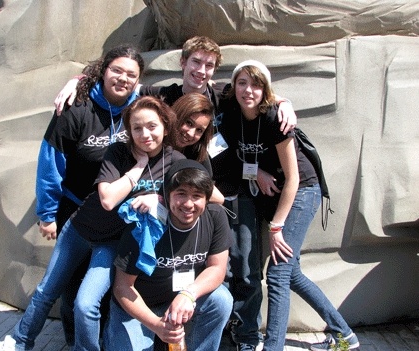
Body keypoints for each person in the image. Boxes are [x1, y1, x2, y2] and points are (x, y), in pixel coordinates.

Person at [53, 36, 298, 350]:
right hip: (144, 226)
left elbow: (254, 93)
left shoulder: (222, 97)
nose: (202, 70)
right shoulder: (163, 96)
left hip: (206, 209)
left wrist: (282, 103)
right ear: (183, 63)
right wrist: (81, 80)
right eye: (196, 61)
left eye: (209, 65)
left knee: (231, 277)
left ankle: (234, 336)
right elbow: (123, 85)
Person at [5, 96, 184, 351]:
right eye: (137, 128)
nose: (145, 134)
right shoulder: (118, 152)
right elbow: (108, 199)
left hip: (112, 243)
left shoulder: (175, 161)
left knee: (86, 305)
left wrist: (159, 198)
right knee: (47, 290)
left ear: (165, 126)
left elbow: (203, 194)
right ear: (129, 131)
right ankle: (21, 341)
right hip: (80, 230)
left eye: (152, 126)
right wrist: (138, 169)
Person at [219, 60, 359, 351]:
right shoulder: (230, 112)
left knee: (278, 273)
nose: (249, 90)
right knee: (291, 272)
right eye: (242, 83)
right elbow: (235, 158)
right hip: (272, 195)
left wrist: (277, 226)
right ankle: (344, 335)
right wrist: (254, 170)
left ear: (266, 90)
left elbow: (294, 178)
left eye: (256, 84)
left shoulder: (275, 119)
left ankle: (273, 348)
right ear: (234, 86)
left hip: (301, 192)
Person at [35, 44, 144, 347]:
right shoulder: (75, 106)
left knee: (104, 284)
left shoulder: (141, 106)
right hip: (75, 207)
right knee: (71, 283)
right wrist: (46, 214)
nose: (123, 78)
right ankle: (73, 341)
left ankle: (103, 338)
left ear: (138, 80)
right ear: (104, 69)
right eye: (117, 70)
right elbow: (50, 163)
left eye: (131, 74)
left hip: (116, 212)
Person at [105, 159, 234, 351]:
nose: (188, 204)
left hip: (183, 301)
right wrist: (157, 326)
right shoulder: (145, 224)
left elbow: (217, 267)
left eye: (197, 196)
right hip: (141, 305)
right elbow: (123, 287)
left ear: (207, 199)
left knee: (221, 300)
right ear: (166, 196)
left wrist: (189, 294)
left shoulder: (215, 216)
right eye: (181, 194)